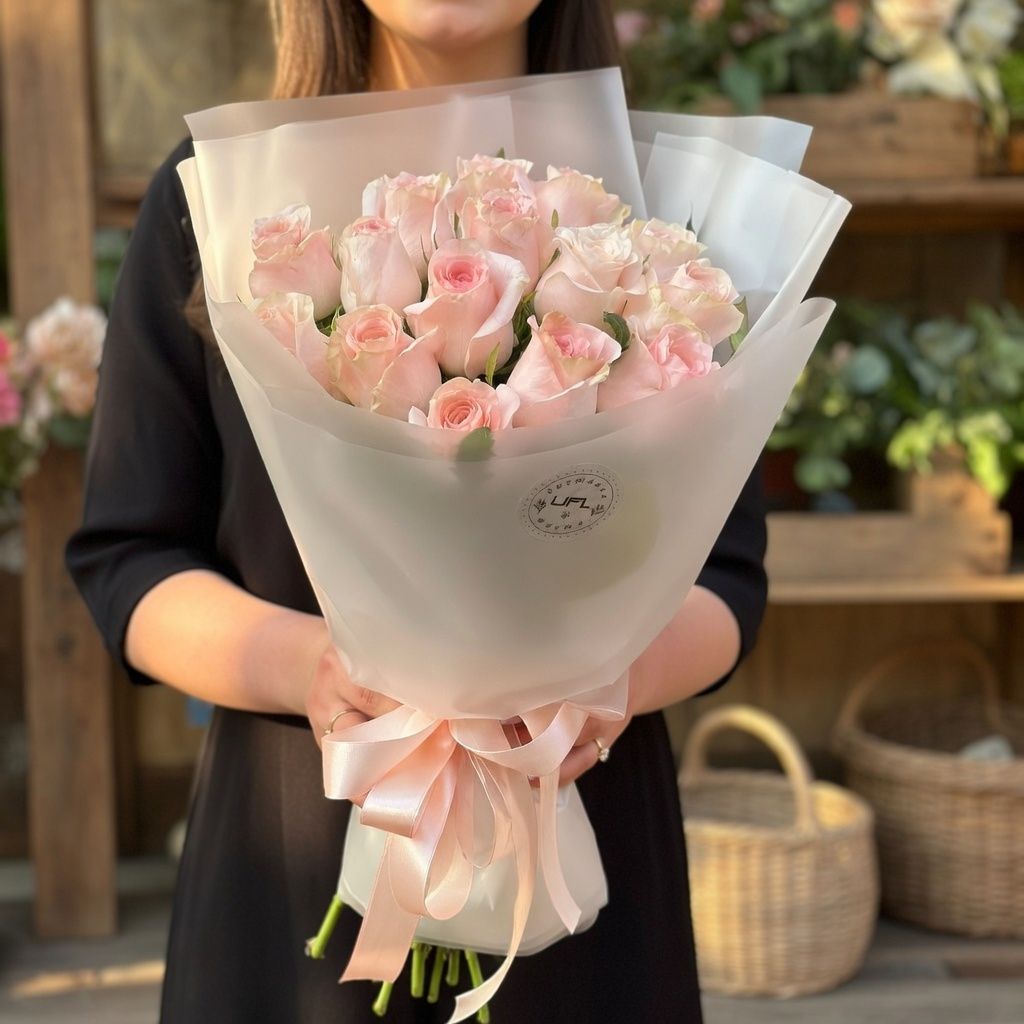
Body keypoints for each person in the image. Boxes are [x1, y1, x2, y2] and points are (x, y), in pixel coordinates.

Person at [67, 1, 768, 1021]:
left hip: (579, 844)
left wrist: (604, 686)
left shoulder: (655, 215)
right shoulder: (220, 198)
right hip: (296, 854)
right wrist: (316, 670)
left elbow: (727, 577)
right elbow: (128, 557)